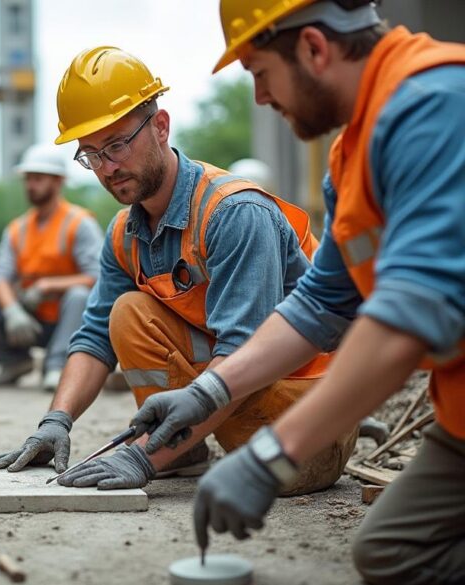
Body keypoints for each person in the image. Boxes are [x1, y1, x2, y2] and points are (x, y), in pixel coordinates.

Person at [138, 2, 464, 583]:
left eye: (260, 73)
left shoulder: (436, 107)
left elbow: (410, 315)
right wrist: (210, 392)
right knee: (391, 553)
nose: (259, 97)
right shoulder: (351, 157)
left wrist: (271, 455)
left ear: (314, 48)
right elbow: (323, 304)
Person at [0, 46, 355, 495]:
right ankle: (180, 449)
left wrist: (142, 456)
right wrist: (55, 421)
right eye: (92, 155)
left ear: (161, 127)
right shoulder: (125, 231)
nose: (107, 167)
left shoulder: (232, 213)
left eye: (117, 145)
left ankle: (165, 447)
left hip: (308, 420)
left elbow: (244, 351)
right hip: (234, 400)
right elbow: (95, 335)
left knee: (268, 449)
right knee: (127, 312)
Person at [0, 144, 102, 392]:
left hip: (69, 323)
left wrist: (48, 285)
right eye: (28, 179)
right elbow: (0, 278)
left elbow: (98, 277)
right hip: (30, 322)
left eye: (38, 179)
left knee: (79, 296)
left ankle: (57, 366)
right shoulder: (17, 229)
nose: (31, 185)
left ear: (59, 181)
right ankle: (15, 363)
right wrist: (11, 311)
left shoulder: (79, 223)